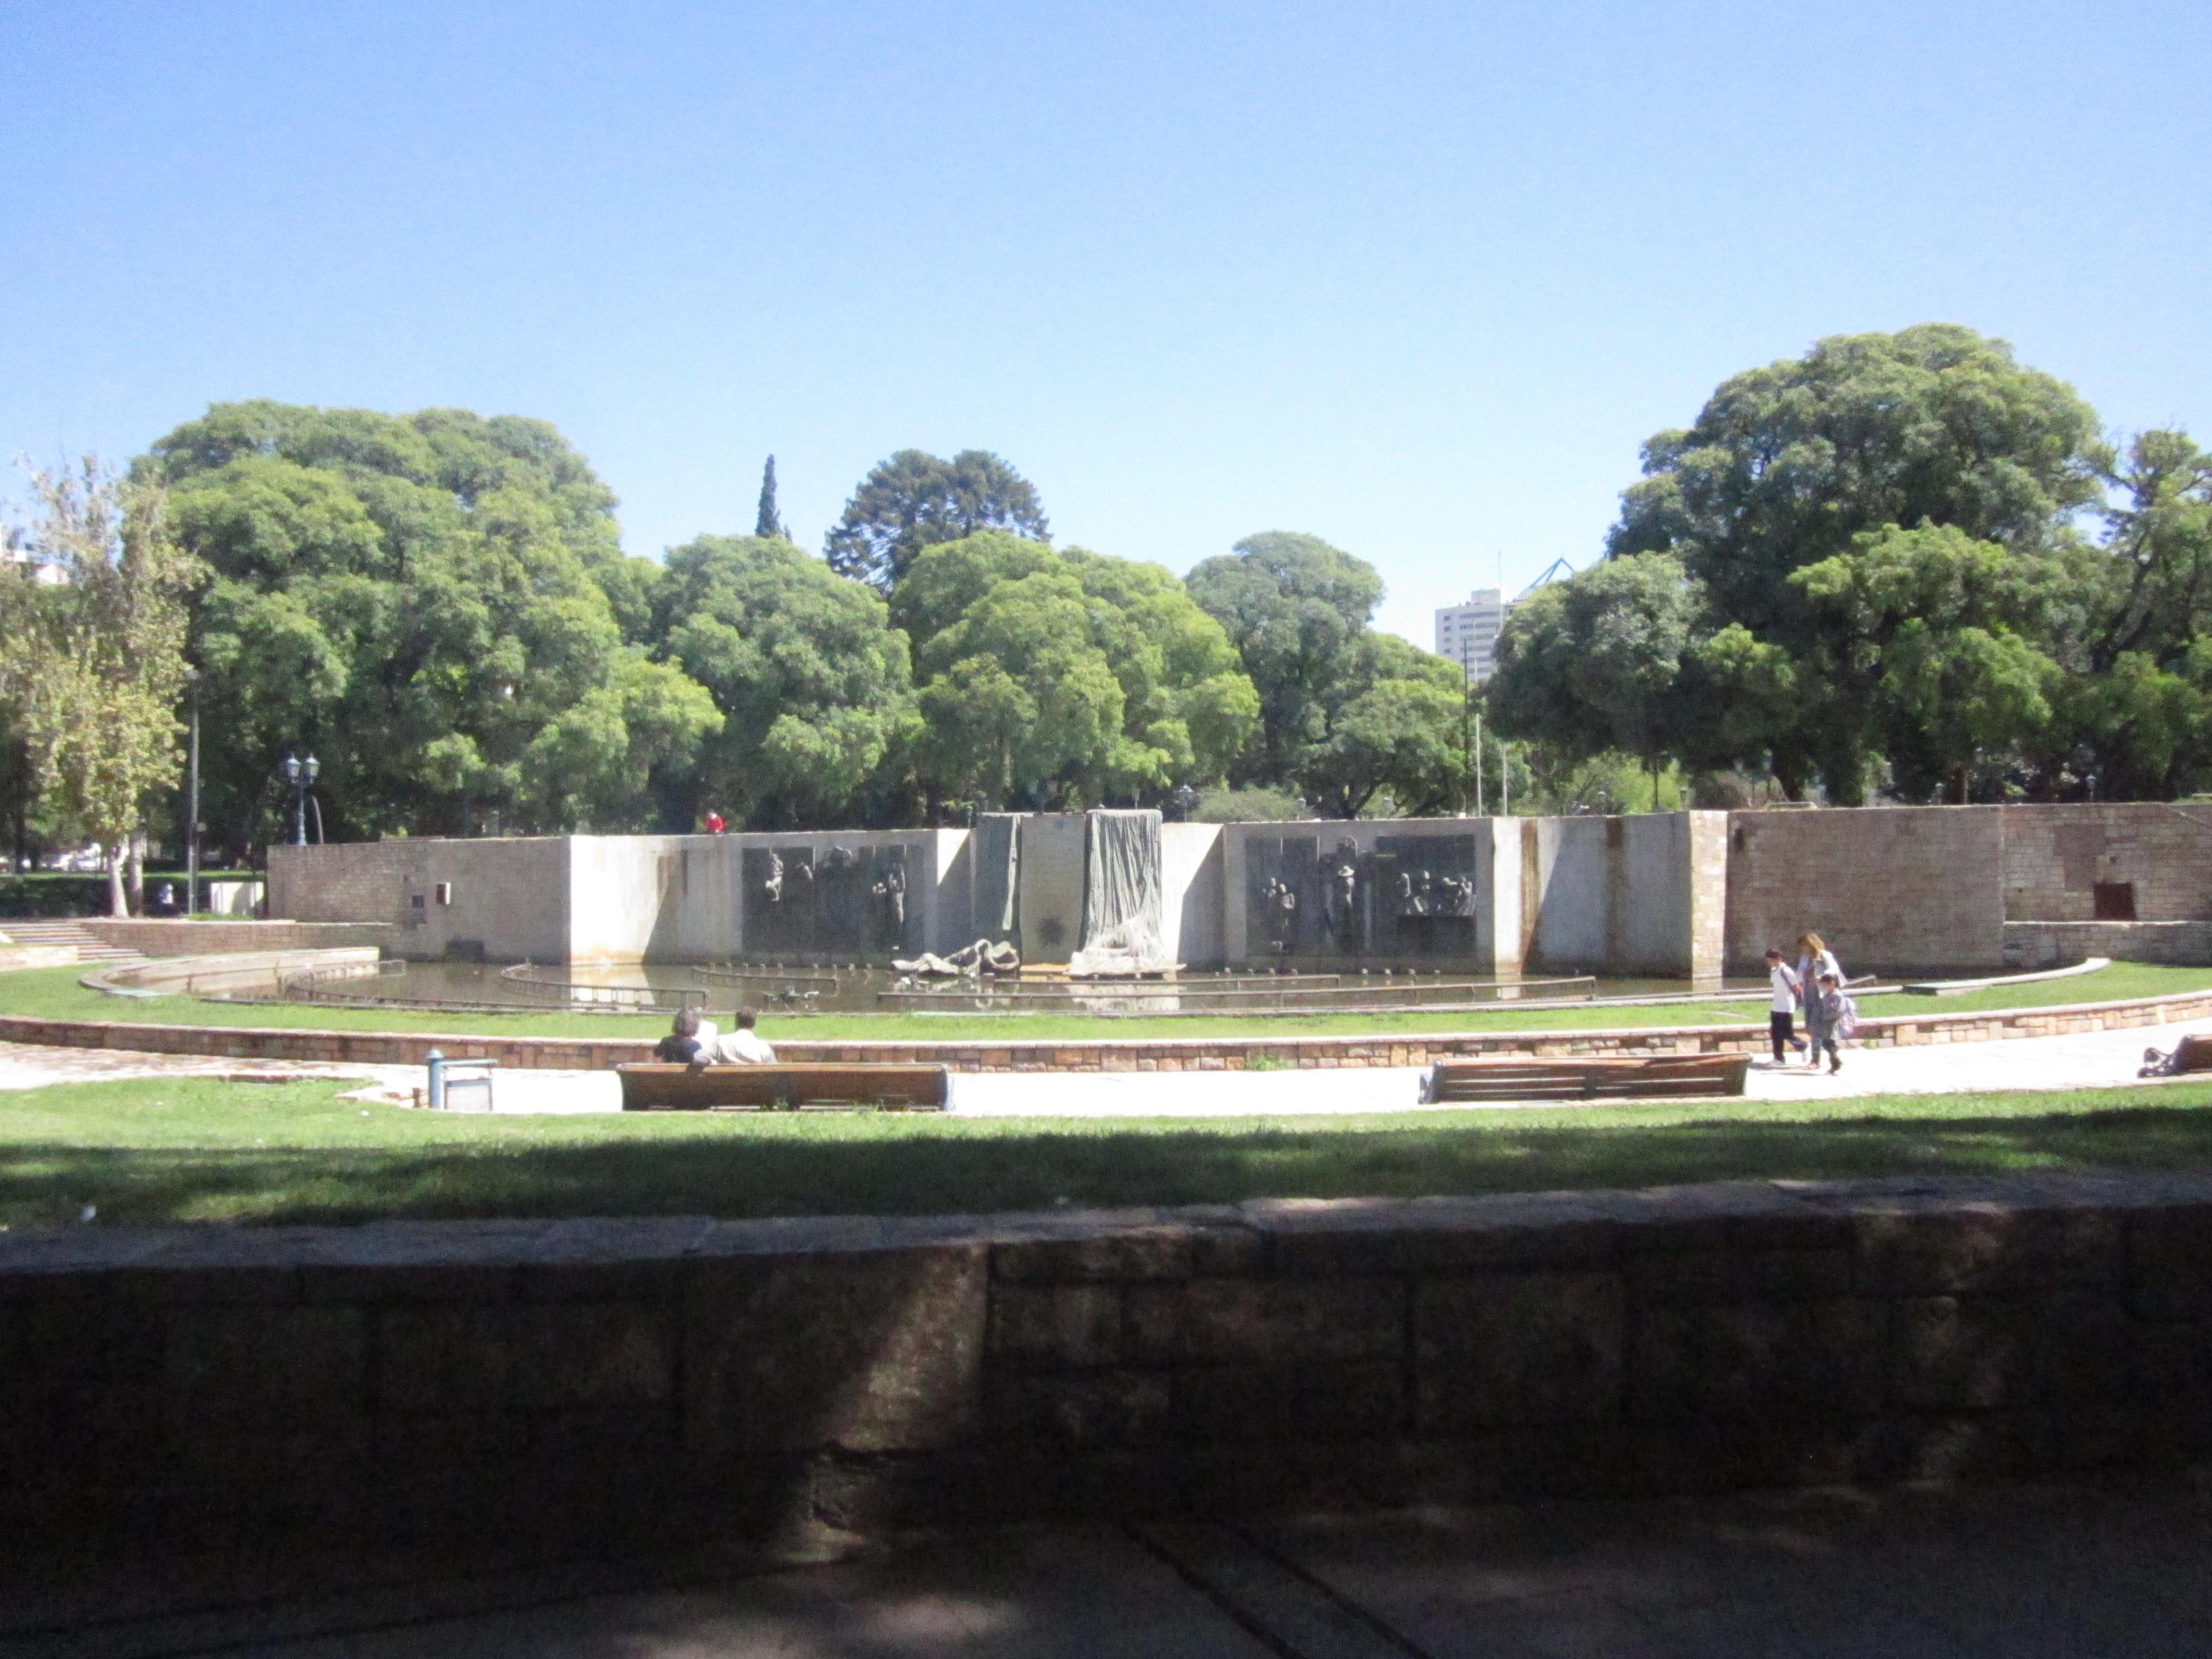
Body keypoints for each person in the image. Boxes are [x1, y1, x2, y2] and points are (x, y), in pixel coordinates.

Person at [1795, 932, 1843, 1068]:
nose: (1803, 949)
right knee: (1810, 1027)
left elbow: (1835, 969)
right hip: (1809, 995)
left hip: (1822, 997)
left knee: (1816, 1028)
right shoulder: (1805, 958)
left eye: (1804, 946)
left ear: (1811, 944)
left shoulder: (1824, 955)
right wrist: (1811, 967)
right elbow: (1800, 975)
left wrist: (1821, 977)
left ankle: (1815, 1061)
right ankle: (1832, 1054)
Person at [1764, 948, 1807, 1065]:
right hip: (1776, 1006)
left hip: (1786, 1007)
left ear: (1779, 959)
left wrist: (1796, 1002)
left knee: (1787, 1033)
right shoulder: (1774, 971)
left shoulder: (1786, 971)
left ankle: (1802, 1046)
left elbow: (1796, 987)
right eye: (1769, 960)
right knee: (1775, 1033)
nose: (1770, 963)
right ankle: (1779, 1058)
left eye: (1772, 960)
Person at [1811, 972, 1856, 1074]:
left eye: (1824, 985)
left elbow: (1840, 1012)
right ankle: (1836, 1061)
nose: (1823, 987)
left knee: (1829, 1044)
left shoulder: (1839, 996)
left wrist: (1826, 1017)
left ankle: (1835, 1065)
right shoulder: (1827, 996)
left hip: (1834, 1024)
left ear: (1832, 984)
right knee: (1826, 1043)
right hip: (1826, 1024)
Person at [697, 1008, 776, 1065]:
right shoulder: (764, 1048)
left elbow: (699, 1059)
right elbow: (775, 1071)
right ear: (754, 1024)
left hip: (725, 1087)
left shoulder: (721, 1041)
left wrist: (712, 1063)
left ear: (736, 1022)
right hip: (756, 1087)